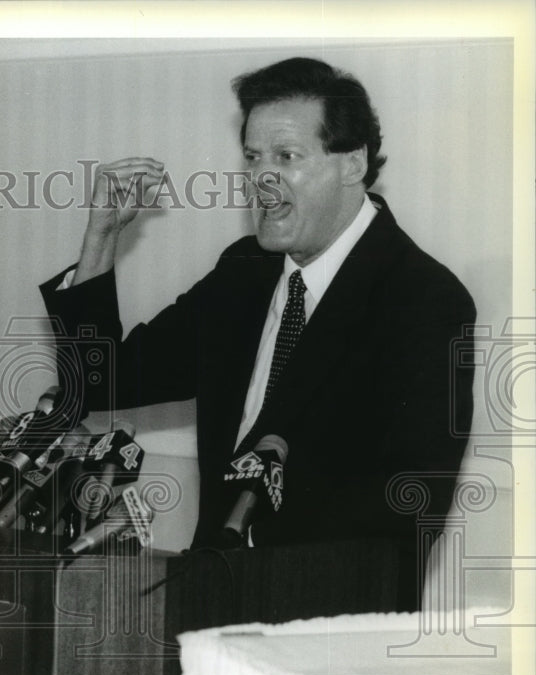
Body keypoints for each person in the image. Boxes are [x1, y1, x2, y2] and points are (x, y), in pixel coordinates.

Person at [40, 58, 475, 564]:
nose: (260, 179)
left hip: (325, 619)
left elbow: (412, 501)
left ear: (352, 164)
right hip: (213, 602)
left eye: (286, 156)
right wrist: (102, 238)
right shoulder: (244, 271)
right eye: (252, 158)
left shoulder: (423, 298)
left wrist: (247, 548)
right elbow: (99, 381)